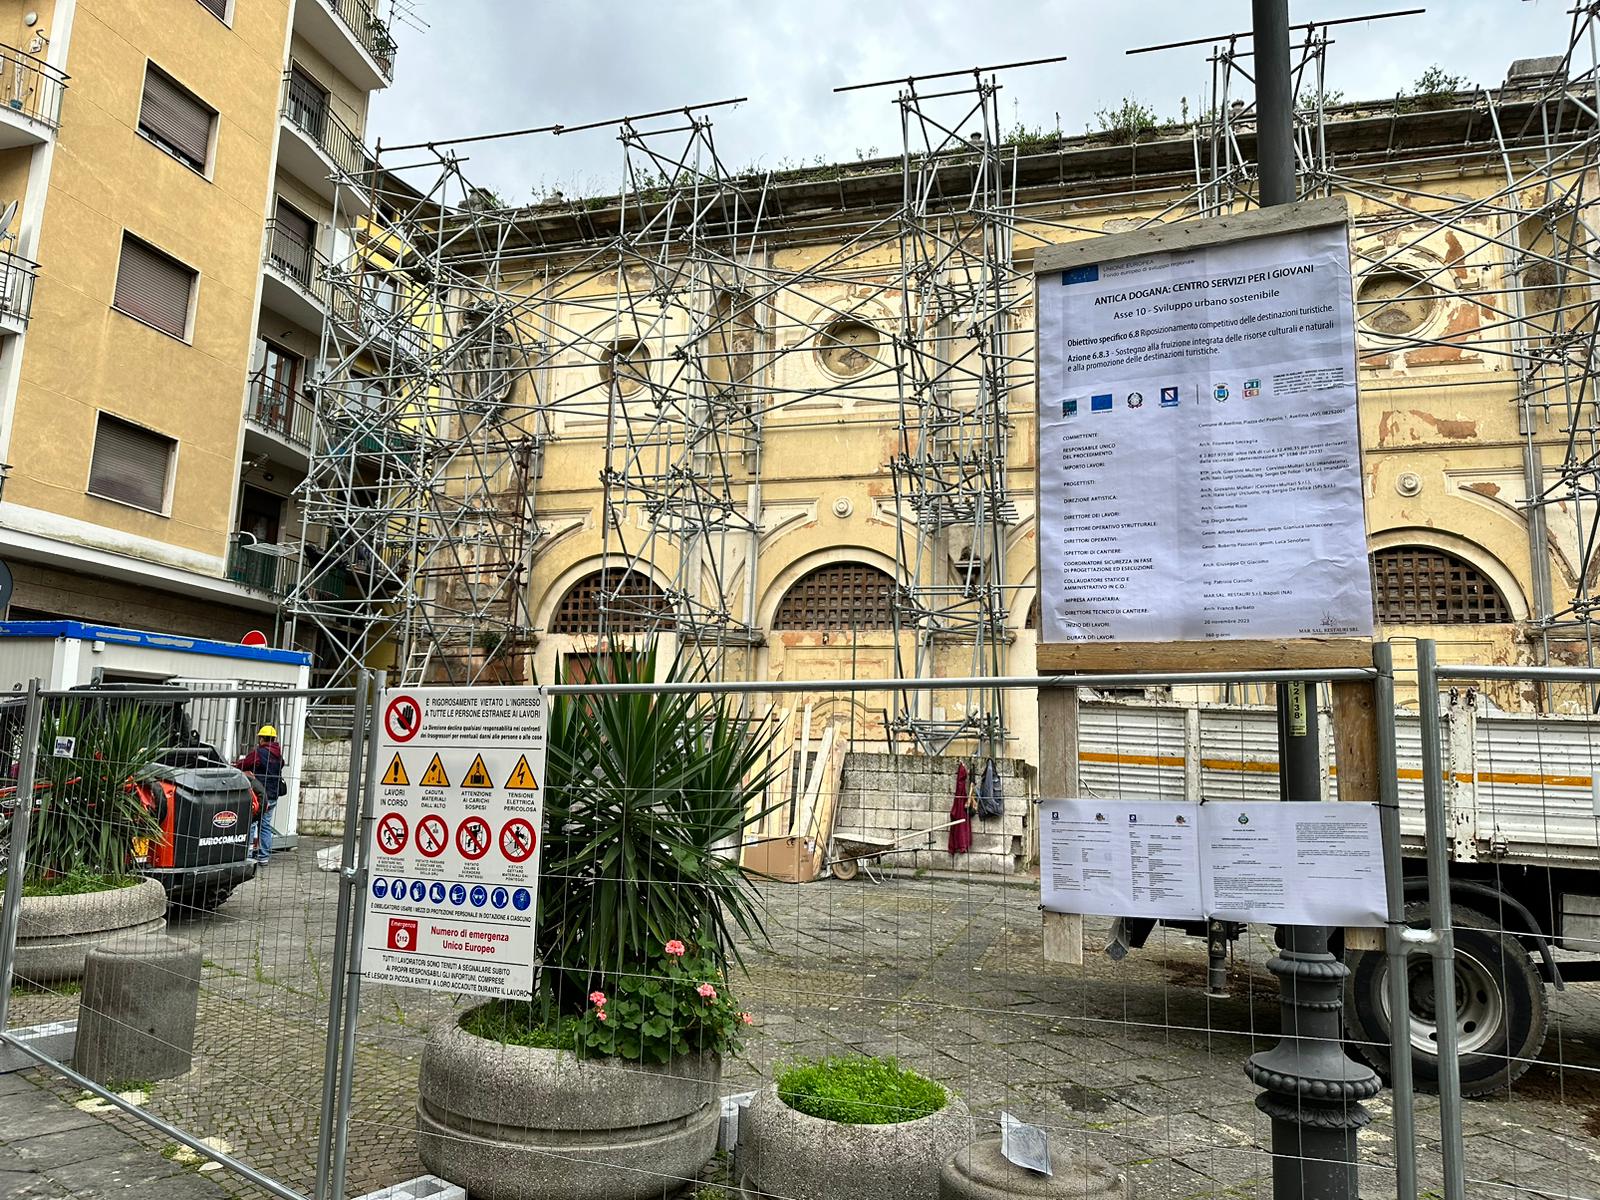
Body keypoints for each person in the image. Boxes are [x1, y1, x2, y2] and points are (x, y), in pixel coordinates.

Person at [236, 724, 285, 864]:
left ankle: (247, 856)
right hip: (273, 796)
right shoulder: (278, 755)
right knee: (265, 825)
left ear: (262, 738)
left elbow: (243, 765)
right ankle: (264, 857)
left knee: (251, 823)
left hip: (260, 796)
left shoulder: (259, 753)